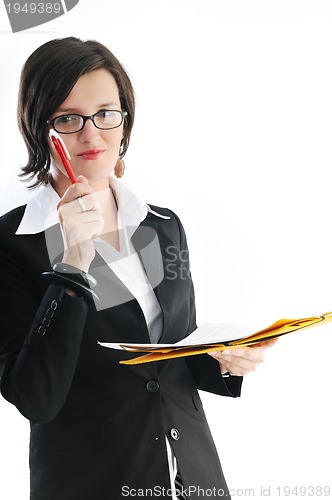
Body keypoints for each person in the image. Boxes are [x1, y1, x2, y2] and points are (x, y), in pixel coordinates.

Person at [0, 37, 276, 500]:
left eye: (107, 113)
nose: (92, 135)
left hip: (193, 476)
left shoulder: (162, 226)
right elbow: (35, 396)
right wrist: (73, 262)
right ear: (38, 128)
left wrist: (229, 361)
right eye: (68, 118)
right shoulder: (14, 243)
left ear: (125, 120)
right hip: (91, 482)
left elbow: (177, 349)